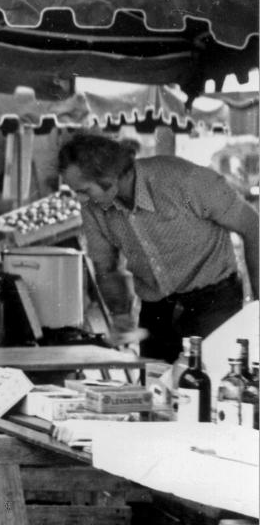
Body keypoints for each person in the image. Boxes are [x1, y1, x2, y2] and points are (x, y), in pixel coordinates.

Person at [57, 133, 260, 362]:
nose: (81, 200)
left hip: (213, 304)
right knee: (156, 388)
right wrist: (121, 314)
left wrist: (258, 306)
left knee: (213, 385)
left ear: (109, 176)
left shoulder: (184, 179)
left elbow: (252, 226)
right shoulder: (93, 209)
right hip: (157, 312)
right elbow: (106, 267)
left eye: (84, 190)